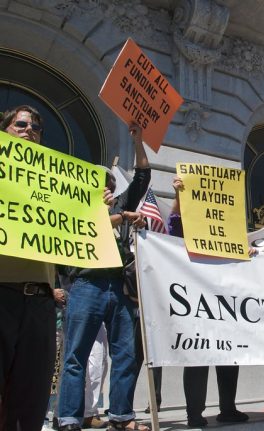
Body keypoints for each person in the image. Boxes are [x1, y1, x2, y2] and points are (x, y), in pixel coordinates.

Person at [0, 105, 111, 431]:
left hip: (41, 300)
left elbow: (74, 241)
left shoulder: (50, 183)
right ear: (6, 129)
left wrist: (94, 210)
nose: (29, 129)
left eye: (36, 126)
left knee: (31, 396)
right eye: (20, 123)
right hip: (1, 293)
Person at [57, 124, 151, 431]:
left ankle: (121, 416)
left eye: (110, 182)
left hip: (118, 287)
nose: (106, 186)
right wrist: (117, 216)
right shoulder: (76, 211)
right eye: (100, 182)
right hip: (85, 285)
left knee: (125, 354)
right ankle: (70, 417)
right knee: (76, 356)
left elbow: (142, 178)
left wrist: (137, 142)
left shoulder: (121, 205)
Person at [169, 176, 249, 428]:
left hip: (224, 303)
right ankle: (194, 413)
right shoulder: (189, 232)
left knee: (229, 358)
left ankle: (228, 408)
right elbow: (172, 225)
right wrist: (179, 195)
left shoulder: (230, 236)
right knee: (198, 359)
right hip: (195, 304)